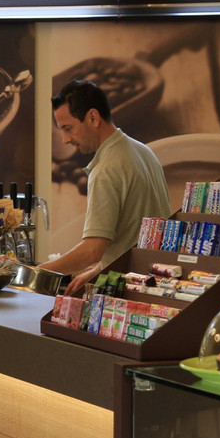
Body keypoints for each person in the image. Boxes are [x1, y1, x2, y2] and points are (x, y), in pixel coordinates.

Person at [39, 79, 170, 294]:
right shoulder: (143, 151)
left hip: (130, 292)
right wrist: (98, 270)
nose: (64, 139)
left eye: (68, 128)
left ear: (93, 117)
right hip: (156, 283)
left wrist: (38, 271)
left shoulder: (105, 170)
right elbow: (134, 236)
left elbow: (92, 251)